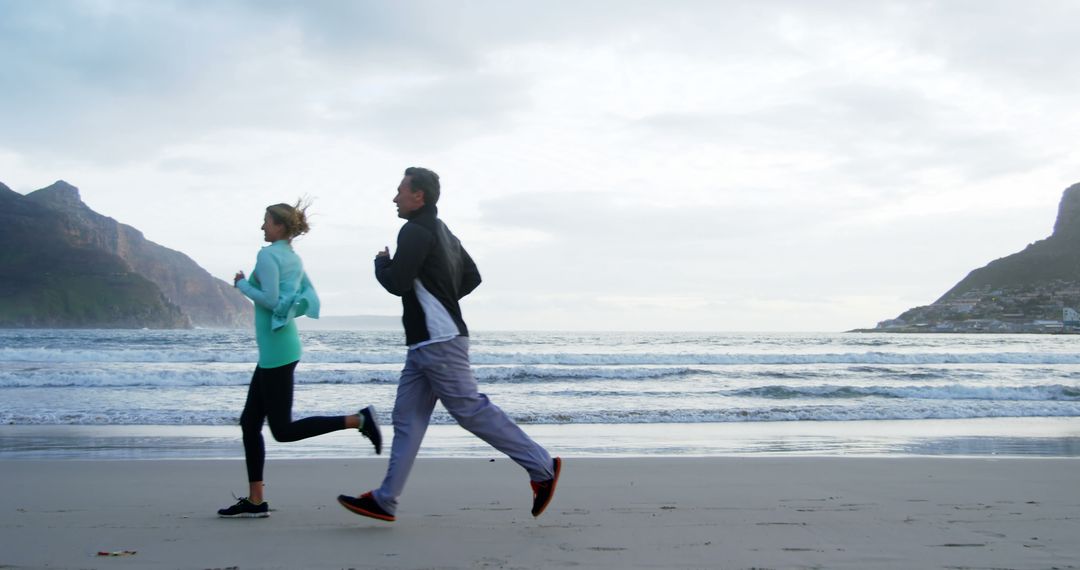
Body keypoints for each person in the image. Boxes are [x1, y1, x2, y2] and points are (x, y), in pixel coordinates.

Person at [337, 167, 561, 522]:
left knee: (470, 410)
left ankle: (542, 466)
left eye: (400, 191)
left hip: (438, 341)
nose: (394, 198)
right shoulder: (444, 232)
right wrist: (442, 297)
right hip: (426, 344)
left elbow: (397, 282)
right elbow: (472, 276)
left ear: (418, 196)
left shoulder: (413, 230)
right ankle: (385, 499)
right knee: (407, 420)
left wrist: (381, 263)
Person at [217, 200, 383, 518]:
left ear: (279, 226)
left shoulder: (268, 255)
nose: (262, 226)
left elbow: (272, 299)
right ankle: (255, 501)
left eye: (266, 221)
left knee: (282, 430)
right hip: (278, 348)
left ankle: (359, 420)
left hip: (278, 352)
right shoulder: (293, 258)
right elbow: (307, 297)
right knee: (249, 422)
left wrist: (242, 285)